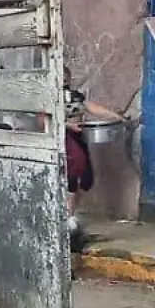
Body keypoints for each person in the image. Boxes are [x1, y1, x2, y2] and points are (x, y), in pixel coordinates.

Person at [62, 66, 124, 235]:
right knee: (71, 178)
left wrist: (115, 116)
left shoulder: (75, 96)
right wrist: (67, 126)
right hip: (62, 140)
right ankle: (67, 215)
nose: (64, 84)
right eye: (61, 81)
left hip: (78, 137)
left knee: (85, 178)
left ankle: (71, 213)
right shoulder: (48, 97)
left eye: (66, 81)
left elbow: (94, 108)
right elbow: (43, 120)